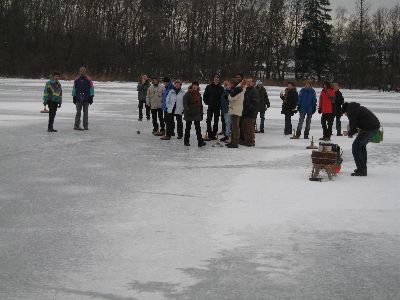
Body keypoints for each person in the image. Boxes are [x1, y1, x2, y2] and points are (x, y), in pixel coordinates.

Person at [342, 102, 381, 177]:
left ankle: (361, 170)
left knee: (356, 147)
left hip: (369, 128)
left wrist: (348, 133)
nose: (345, 115)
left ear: (346, 111)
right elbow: (359, 123)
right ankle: (362, 168)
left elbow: (353, 128)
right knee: (361, 146)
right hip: (372, 127)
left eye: (345, 114)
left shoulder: (351, 112)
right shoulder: (356, 108)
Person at [183, 81, 206, 147]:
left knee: (198, 128)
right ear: (192, 86)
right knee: (188, 128)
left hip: (196, 113)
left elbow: (200, 105)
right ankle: (186, 141)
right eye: (194, 85)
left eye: (196, 85)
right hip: (189, 113)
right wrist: (188, 110)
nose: (195, 87)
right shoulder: (187, 94)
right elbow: (185, 103)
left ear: (198, 86)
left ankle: (200, 142)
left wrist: (201, 113)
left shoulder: (198, 94)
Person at [226, 79, 246, 149]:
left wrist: (229, 94)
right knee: (233, 127)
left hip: (235, 110)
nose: (230, 85)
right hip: (235, 109)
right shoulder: (237, 88)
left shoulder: (238, 89)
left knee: (235, 127)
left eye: (230, 84)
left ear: (233, 84)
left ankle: (235, 143)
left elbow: (231, 98)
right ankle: (233, 141)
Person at [203, 74, 224, 140]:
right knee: (208, 120)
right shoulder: (208, 87)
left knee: (216, 121)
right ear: (213, 79)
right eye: (215, 78)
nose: (216, 79)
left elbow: (222, 98)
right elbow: (205, 96)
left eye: (217, 78)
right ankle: (209, 133)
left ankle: (214, 134)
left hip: (217, 107)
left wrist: (219, 104)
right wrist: (207, 102)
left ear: (218, 79)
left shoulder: (221, 88)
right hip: (210, 106)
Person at [241, 78, 259, 147]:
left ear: (253, 83)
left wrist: (249, 109)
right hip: (245, 112)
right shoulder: (246, 90)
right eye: (247, 82)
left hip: (250, 113)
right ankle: (247, 140)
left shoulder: (254, 91)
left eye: (250, 82)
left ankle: (251, 141)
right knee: (244, 127)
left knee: (250, 128)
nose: (248, 83)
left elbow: (255, 102)